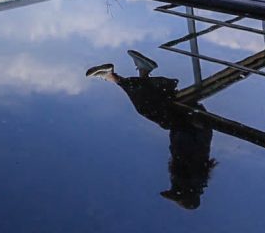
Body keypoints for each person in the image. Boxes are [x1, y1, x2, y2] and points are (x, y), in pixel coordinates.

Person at [86, 50, 217, 209]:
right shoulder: (190, 178)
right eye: (177, 194)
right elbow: (192, 145)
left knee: (153, 104)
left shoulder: (194, 178)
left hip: (186, 123)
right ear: (185, 193)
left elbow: (192, 146)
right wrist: (194, 124)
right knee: (148, 108)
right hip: (188, 122)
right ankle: (114, 76)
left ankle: (141, 71)